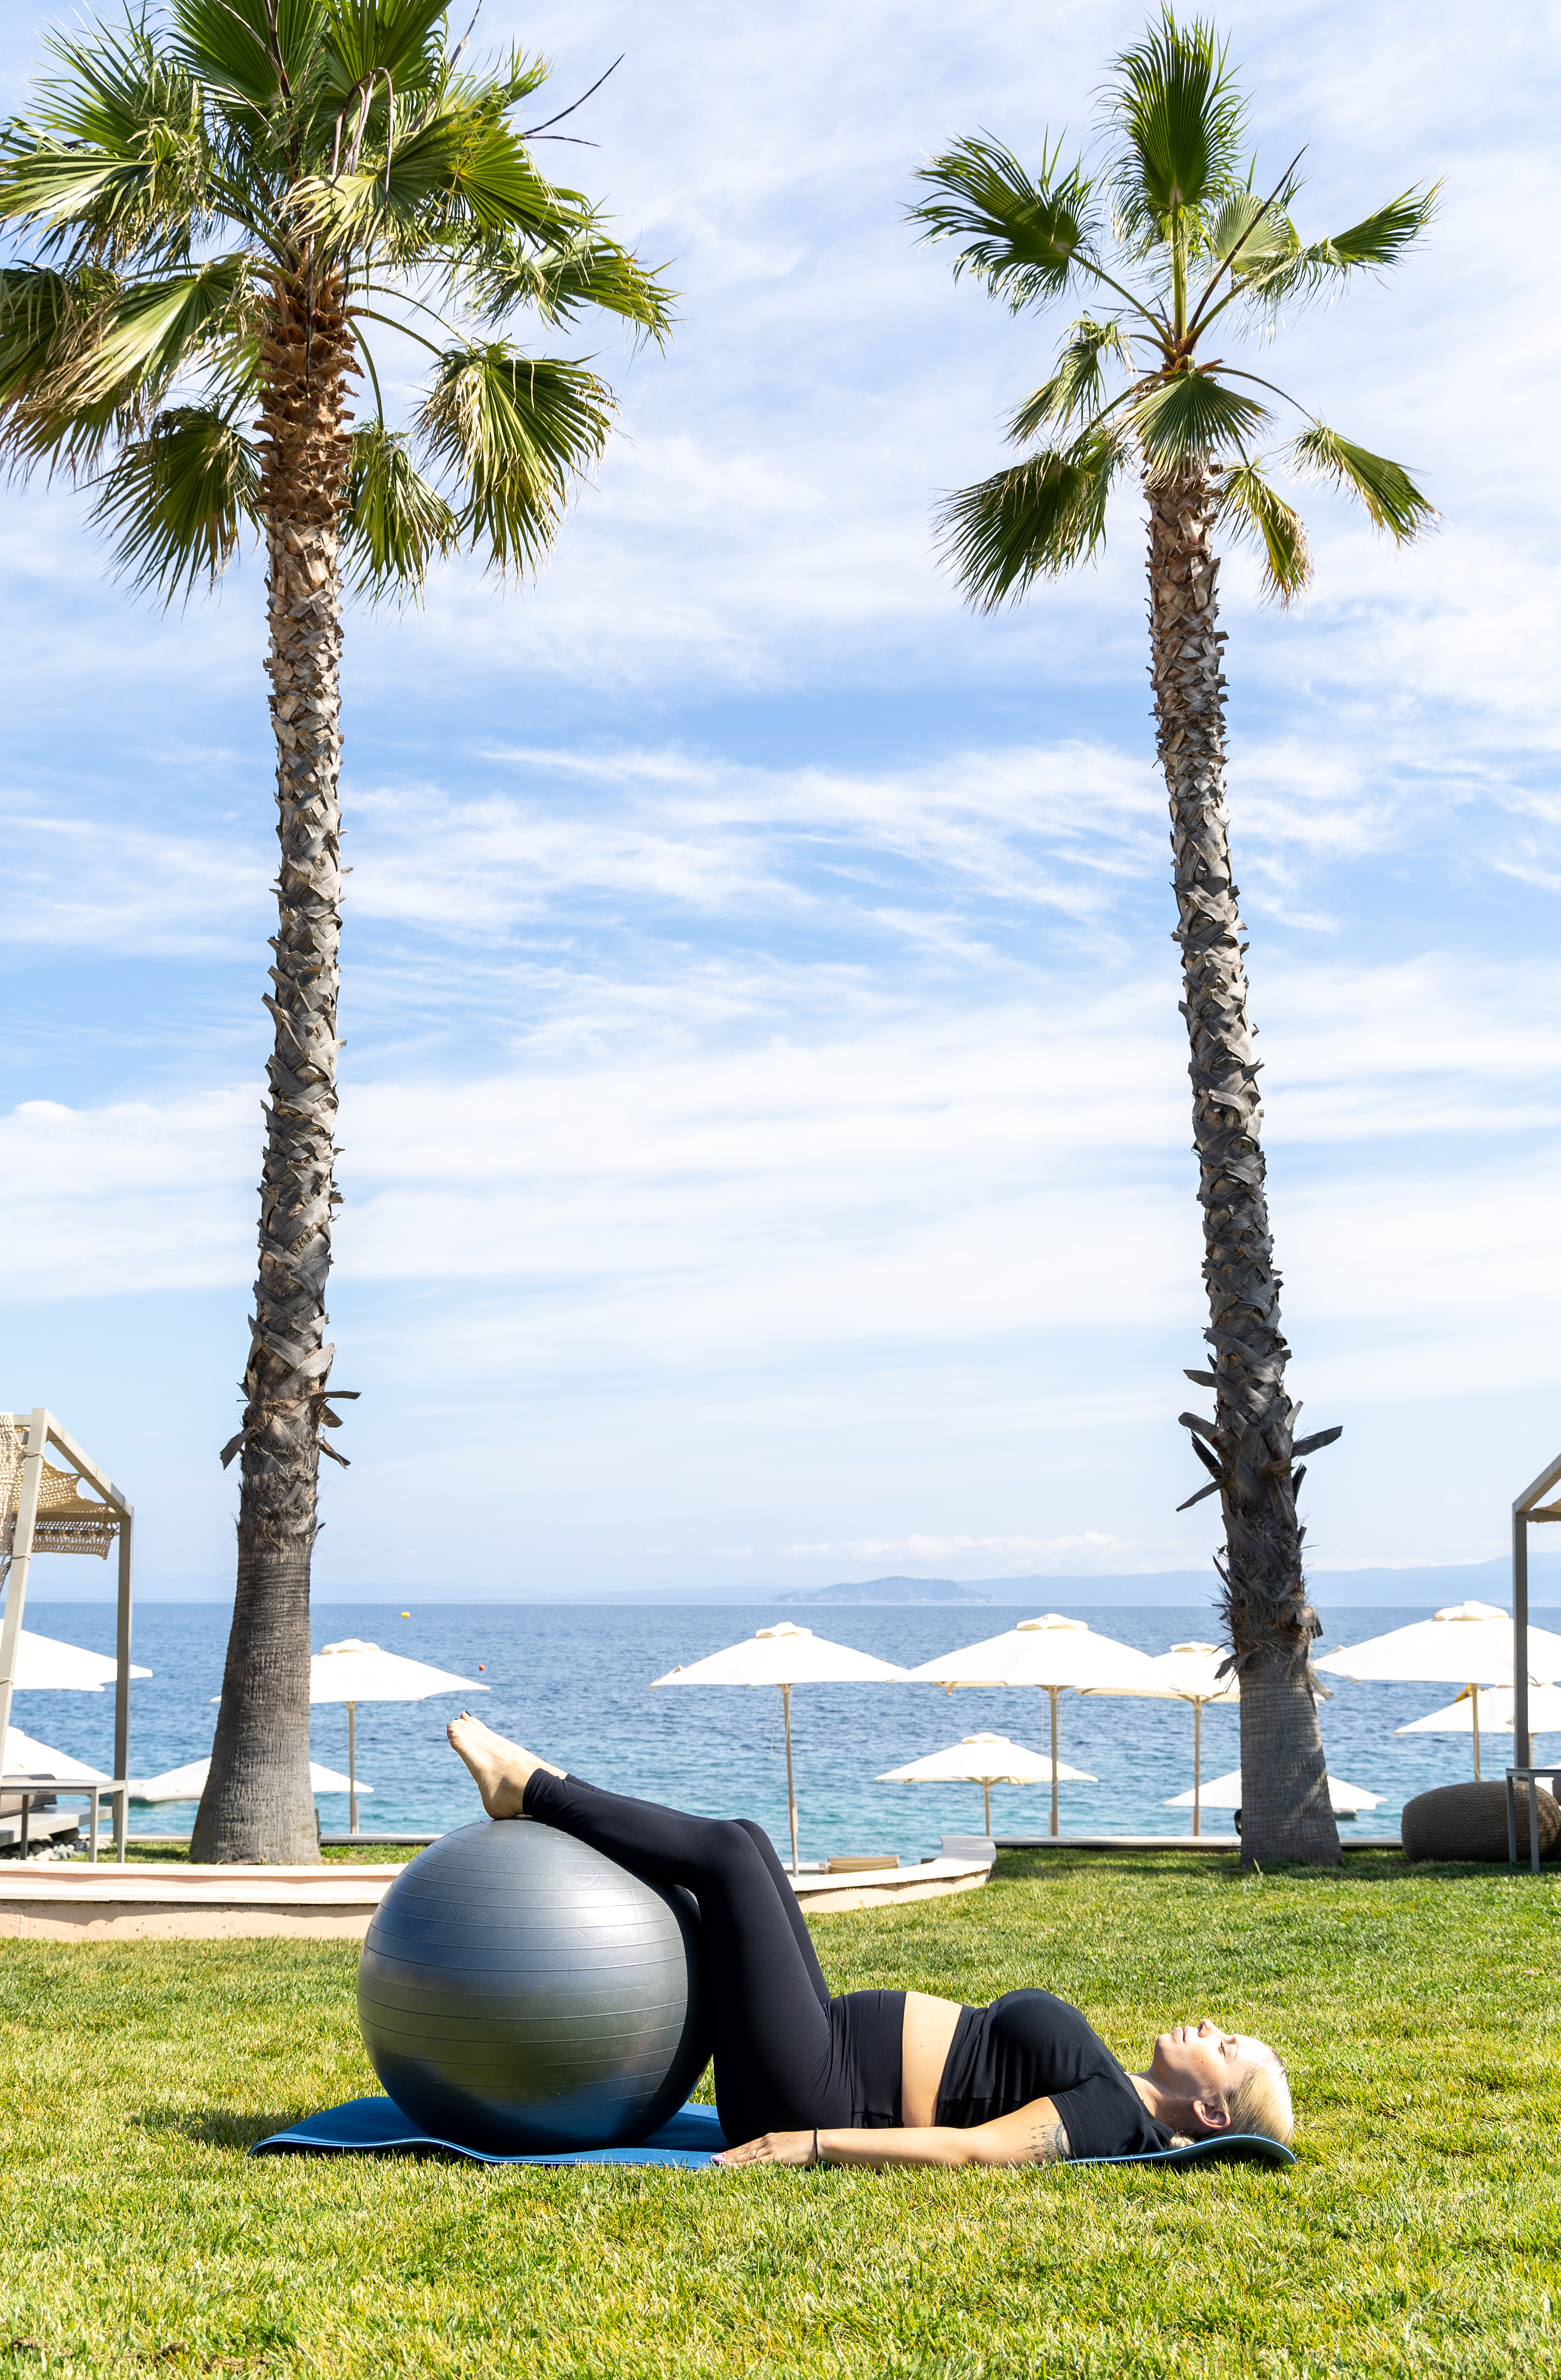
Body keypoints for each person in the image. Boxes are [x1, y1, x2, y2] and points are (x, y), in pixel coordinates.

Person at [448, 1713, 1294, 2169]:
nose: (1210, 2025)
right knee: (744, 1840)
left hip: (816, 2094)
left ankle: (528, 1788)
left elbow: (970, 2151)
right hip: (822, 2052)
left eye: (1226, 2047)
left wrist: (810, 2144)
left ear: (1213, 2109)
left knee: (727, 1860)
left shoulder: (1112, 2117)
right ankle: (534, 1787)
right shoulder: (1117, 2088)